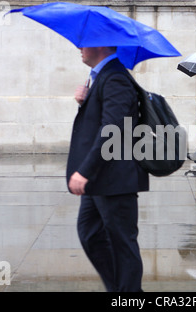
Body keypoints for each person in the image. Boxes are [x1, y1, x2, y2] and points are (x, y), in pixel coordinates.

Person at [67, 46, 149, 292]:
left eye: (85, 43)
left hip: (114, 178)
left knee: (123, 244)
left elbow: (113, 131)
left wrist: (85, 171)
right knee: (90, 234)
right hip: (102, 179)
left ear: (101, 46)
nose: (80, 48)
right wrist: (84, 102)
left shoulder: (115, 77)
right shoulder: (103, 77)